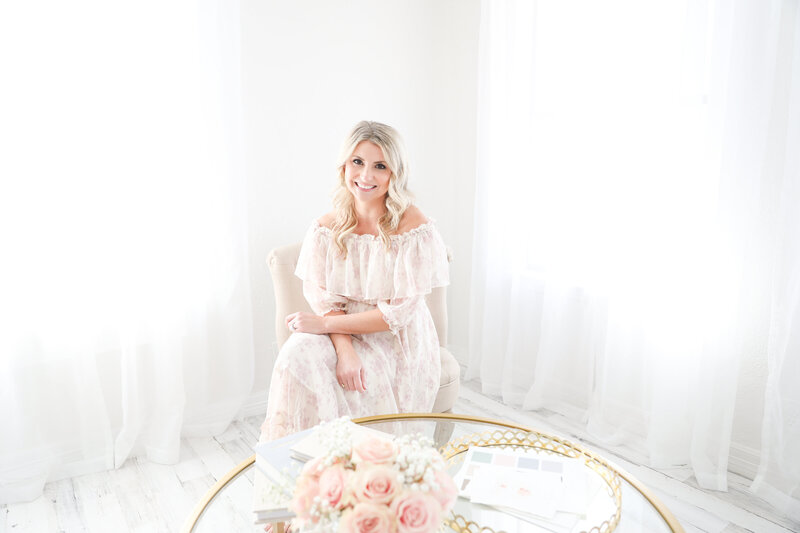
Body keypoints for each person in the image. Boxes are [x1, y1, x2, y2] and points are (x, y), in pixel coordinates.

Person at [259, 121, 449, 442]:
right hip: (342, 332)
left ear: (395, 173)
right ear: (344, 166)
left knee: (331, 363)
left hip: (398, 340)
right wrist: (345, 351)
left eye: (380, 166)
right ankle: (300, 459)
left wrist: (322, 325)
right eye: (357, 162)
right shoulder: (325, 228)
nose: (365, 176)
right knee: (296, 353)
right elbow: (330, 306)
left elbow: (396, 316)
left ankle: (357, 462)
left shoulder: (414, 228)